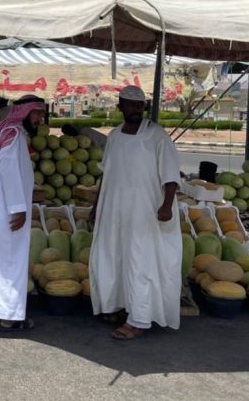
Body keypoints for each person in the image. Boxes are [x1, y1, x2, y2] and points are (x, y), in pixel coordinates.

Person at [89, 85, 182, 340]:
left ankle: (139, 319)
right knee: (114, 257)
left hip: (146, 212)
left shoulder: (156, 136)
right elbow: (106, 176)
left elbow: (171, 175)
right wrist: (96, 207)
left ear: (144, 108)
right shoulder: (115, 136)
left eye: (139, 106)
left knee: (140, 263)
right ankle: (119, 306)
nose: (134, 110)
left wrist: (166, 205)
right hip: (114, 211)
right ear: (119, 106)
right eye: (129, 104)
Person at [0, 95, 46, 332]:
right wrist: (19, 209)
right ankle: (8, 316)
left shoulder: (7, 133)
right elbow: (10, 174)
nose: (39, 119)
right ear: (23, 112)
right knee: (10, 262)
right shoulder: (13, 137)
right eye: (36, 113)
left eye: (41, 114)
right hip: (8, 211)